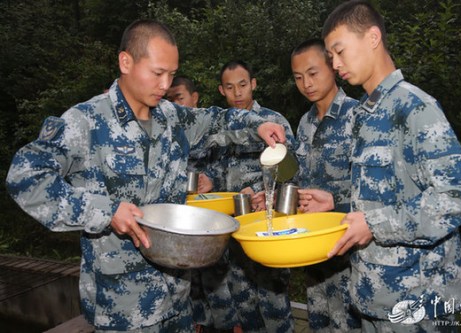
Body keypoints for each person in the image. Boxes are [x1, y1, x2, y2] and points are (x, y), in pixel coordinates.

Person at [5, 19, 286, 333]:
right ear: (126, 62)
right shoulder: (86, 122)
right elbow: (26, 176)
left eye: (171, 74)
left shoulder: (171, 118)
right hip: (124, 310)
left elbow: (216, 121)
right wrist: (105, 211)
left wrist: (256, 125)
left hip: (178, 299)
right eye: (157, 73)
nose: (165, 85)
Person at [322, 1, 461, 332]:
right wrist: (335, 206)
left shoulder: (414, 108)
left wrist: (375, 225)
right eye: (331, 57)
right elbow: (385, 199)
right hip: (374, 297)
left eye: (339, 52)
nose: (335, 64)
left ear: (373, 38)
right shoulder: (366, 115)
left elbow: (459, 196)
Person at [215, 60, 296, 333]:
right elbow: (217, 177)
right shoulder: (222, 131)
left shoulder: (274, 123)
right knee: (246, 312)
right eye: (230, 87)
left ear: (253, 84)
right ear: (221, 90)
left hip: (270, 235)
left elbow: (292, 174)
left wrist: (264, 193)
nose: (237, 93)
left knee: (276, 312)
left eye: (242, 85)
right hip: (235, 238)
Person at [290, 38, 361, 332]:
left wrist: (335, 201)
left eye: (313, 73)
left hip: (351, 254)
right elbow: (299, 179)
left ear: (332, 67)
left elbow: (376, 191)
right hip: (315, 255)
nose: (306, 83)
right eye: (297, 77)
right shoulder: (304, 124)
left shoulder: (358, 117)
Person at [168, 75, 239, 333]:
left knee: (218, 290)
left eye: (179, 99)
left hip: (210, 227)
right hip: (180, 228)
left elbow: (232, 169)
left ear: (194, 98)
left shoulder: (210, 131)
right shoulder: (167, 132)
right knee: (193, 294)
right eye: (169, 100)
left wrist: (213, 179)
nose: (174, 106)